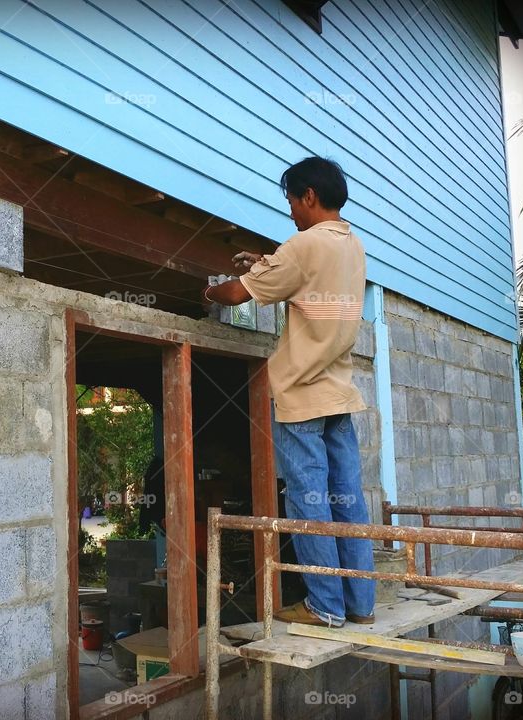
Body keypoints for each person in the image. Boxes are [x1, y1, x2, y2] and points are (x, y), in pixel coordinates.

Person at [203, 156, 375, 628]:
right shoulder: (353, 245)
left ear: (310, 197)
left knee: (308, 499)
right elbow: (308, 284)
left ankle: (324, 606)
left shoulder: (302, 245)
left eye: (292, 203)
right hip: (338, 393)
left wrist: (210, 291)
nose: (291, 213)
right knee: (346, 498)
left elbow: (238, 295)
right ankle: (359, 604)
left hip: (301, 396)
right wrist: (267, 263)